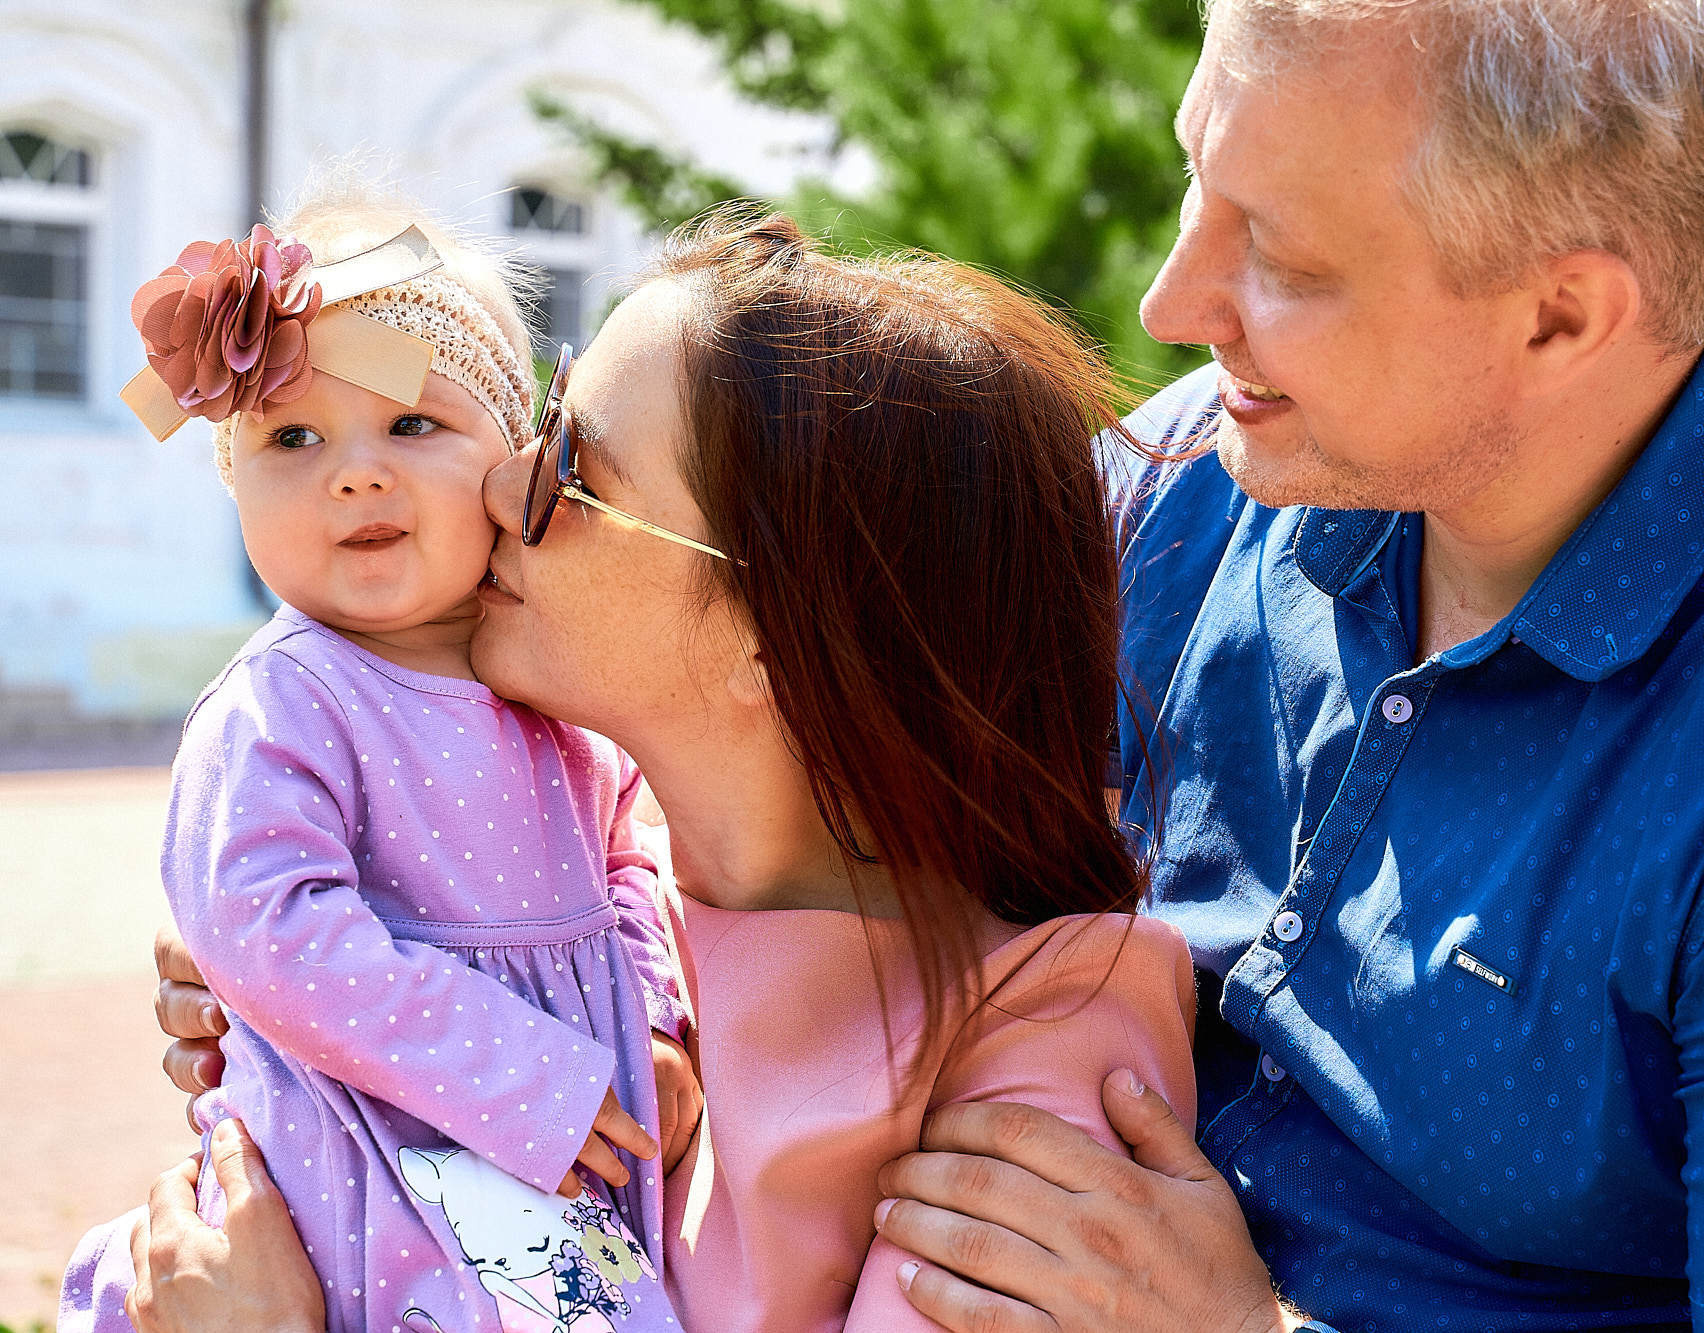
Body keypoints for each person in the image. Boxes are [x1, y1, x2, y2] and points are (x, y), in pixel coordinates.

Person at [863, 1, 1704, 1329]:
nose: (1171, 305)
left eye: (1279, 254)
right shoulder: (1212, 477)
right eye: (1197, 176)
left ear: (1563, 316)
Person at [127, 206, 1200, 1332]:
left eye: (571, 471)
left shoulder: (1041, 1063)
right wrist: (295, 960)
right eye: (539, 424)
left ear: (770, 631)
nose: (498, 485)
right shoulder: (609, 922)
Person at [65, 187, 694, 1333]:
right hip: (371, 1163)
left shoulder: (556, 690)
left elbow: (630, 867)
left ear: (511, 461)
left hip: (565, 1144)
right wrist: (518, 1074)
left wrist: (653, 1023)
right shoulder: (287, 699)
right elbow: (269, 929)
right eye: (292, 438)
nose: (354, 472)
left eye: (412, 425)